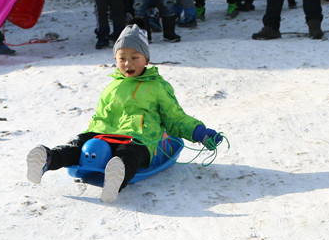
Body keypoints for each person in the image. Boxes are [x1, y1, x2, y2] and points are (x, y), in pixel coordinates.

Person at [26, 20, 222, 203]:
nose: (128, 63)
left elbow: (175, 118)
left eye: (135, 57)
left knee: (129, 154)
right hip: (101, 133)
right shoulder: (112, 86)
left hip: (138, 137)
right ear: (115, 59)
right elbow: (100, 116)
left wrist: (200, 133)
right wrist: (89, 135)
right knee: (78, 146)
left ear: (146, 59)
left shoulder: (157, 87)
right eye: (122, 58)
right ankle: (48, 158)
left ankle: (115, 176)